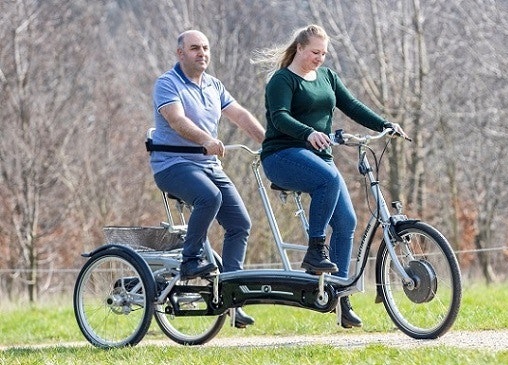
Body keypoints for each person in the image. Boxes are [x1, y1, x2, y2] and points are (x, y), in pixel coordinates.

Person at [257, 24, 408, 328]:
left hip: (319, 160)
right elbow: (280, 118)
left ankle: (340, 299)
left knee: (346, 222)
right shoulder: (282, 80)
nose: (320, 58)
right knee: (327, 178)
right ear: (299, 48)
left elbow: (351, 105)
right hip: (282, 155)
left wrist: (384, 125)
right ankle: (315, 251)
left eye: (324, 53)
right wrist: (309, 132)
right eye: (315, 52)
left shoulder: (327, 77)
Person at [150, 30, 265, 327]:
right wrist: (206, 140)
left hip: (209, 165)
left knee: (240, 224)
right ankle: (190, 261)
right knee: (209, 196)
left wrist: (267, 140)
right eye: (194, 48)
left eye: (205, 48)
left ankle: (232, 296)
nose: (202, 53)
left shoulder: (214, 85)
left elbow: (239, 114)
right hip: (173, 164)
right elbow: (176, 121)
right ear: (180, 54)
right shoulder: (167, 83)